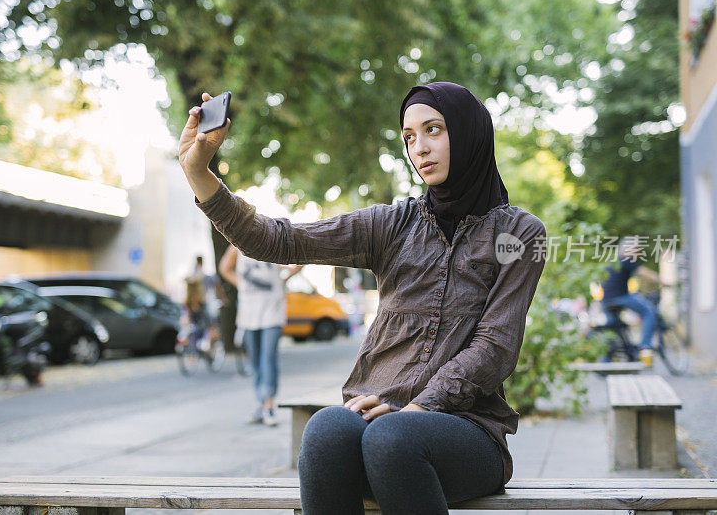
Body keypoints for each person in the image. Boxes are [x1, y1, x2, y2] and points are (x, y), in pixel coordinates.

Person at [178, 82, 546, 515]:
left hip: (465, 430)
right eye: (409, 137)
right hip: (375, 419)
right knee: (327, 428)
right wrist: (199, 172)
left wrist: (417, 407)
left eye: (433, 130)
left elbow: (495, 347)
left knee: (393, 439)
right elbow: (279, 241)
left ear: (468, 133)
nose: (420, 148)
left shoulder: (519, 233)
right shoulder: (392, 224)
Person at [219, 244, 302, 426]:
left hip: (272, 311)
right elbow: (224, 268)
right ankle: (260, 403)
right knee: (255, 359)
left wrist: (285, 279)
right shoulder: (237, 245)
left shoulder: (274, 241)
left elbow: (300, 262)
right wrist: (241, 283)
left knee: (268, 357)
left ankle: (269, 404)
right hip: (249, 313)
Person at [600, 238, 662, 366]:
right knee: (648, 311)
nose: (638, 252)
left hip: (606, 300)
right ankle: (645, 346)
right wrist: (663, 281)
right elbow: (646, 273)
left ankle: (605, 360)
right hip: (620, 297)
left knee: (613, 328)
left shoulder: (613, 261)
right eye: (636, 249)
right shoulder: (626, 260)